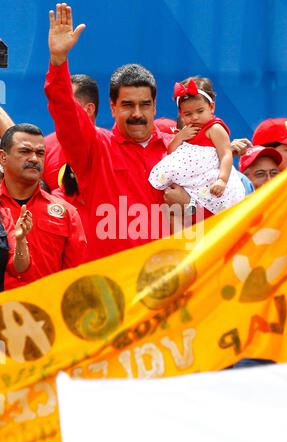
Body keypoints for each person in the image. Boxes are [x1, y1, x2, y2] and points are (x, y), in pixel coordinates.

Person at [45, 3, 189, 262]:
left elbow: (218, 210)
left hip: (169, 286)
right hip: (113, 290)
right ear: (112, 107)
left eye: (145, 104)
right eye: (127, 105)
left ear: (155, 105)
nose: (137, 113)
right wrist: (58, 62)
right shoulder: (94, 148)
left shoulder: (178, 150)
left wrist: (188, 206)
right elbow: (65, 110)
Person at [0, 123, 87, 290]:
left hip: (48, 312)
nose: (34, 158)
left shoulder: (67, 214)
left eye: (40, 153)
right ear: (3, 157)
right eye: (25, 151)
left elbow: (76, 279)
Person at [149, 77, 245, 215]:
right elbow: (171, 152)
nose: (194, 117)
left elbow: (225, 154)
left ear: (211, 107)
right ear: (181, 114)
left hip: (210, 181)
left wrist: (222, 180)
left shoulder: (215, 128)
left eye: (200, 111)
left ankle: (196, 212)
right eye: (188, 114)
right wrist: (180, 137)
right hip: (192, 183)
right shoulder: (186, 130)